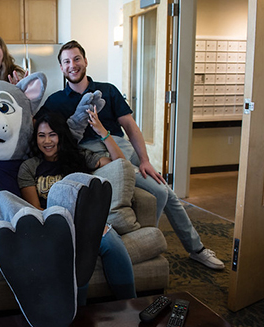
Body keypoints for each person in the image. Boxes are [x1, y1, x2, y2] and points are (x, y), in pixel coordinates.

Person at [37, 40, 224, 270]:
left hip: (121, 145)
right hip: (94, 153)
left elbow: (130, 126)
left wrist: (144, 160)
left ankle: (196, 249)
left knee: (165, 188)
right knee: (160, 191)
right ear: (61, 68)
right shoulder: (56, 100)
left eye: (76, 59)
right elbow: (36, 126)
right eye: (66, 61)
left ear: (85, 61)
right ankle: (163, 245)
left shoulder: (107, 90)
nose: (72, 65)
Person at [18, 112, 137, 300]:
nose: (47, 141)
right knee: (76, 254)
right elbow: (36, 209)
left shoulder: (79, 157)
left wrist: (103, 132)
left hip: (87, 222)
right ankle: (78, 314)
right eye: (41, 136)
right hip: (54, 225)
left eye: (52, 134)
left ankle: (130, 303)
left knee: (111, 242)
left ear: (61, 136)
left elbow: (119, 164)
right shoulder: (29, 167)